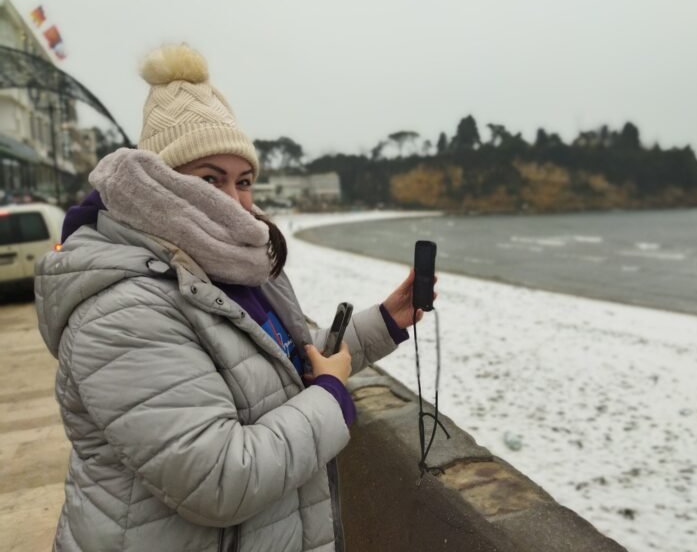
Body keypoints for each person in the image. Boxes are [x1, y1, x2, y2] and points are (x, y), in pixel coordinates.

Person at [35, 44, 430, 552]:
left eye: (243, 182)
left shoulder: (227, 266)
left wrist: (385, 323)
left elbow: (277, 361)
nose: (235, 202)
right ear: (159, 182)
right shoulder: (121, 307)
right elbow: (219, 478)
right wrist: (330, 400)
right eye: (209, 179)